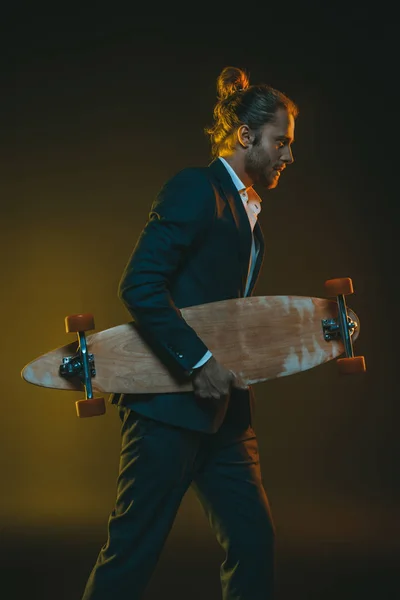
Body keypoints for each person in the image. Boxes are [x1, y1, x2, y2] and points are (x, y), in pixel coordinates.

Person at [81, 65, 298, 600]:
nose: (288, 157)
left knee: (254, 543)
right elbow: (140, 286)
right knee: (130, 555)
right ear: (246, 137)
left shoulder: (251, 218)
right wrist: (199, 364)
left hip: (227, 417)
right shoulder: (195, 189)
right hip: (165, 409)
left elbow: (227, 315)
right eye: (281, 142)